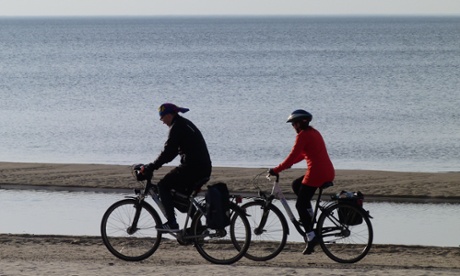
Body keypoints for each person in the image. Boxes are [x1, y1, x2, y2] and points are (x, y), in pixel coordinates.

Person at [269, 109, 334, 255]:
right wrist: (289, 164)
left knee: (299, 204)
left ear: (299, 124)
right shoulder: (314, 132)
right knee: (296, 185)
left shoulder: (302, 136)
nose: (293, 127)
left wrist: (276, 169)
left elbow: (293, 155)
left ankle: (311, 237)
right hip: (327, 171)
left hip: (317, 173)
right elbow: (303, 154)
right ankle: (309, 215)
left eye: (293, 124)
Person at [141, 103, 212, 232]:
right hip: (202, 168)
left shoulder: (177, 127)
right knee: (181, 196)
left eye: (162, 118)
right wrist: (155, 165)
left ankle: (172, 223)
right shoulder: (183, 123)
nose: (162, 122)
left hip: (193, 168)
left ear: (169, 115)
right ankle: (198, 227)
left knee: (163, 186)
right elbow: (172, 152)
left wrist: (152, 166)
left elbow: (168, 152)